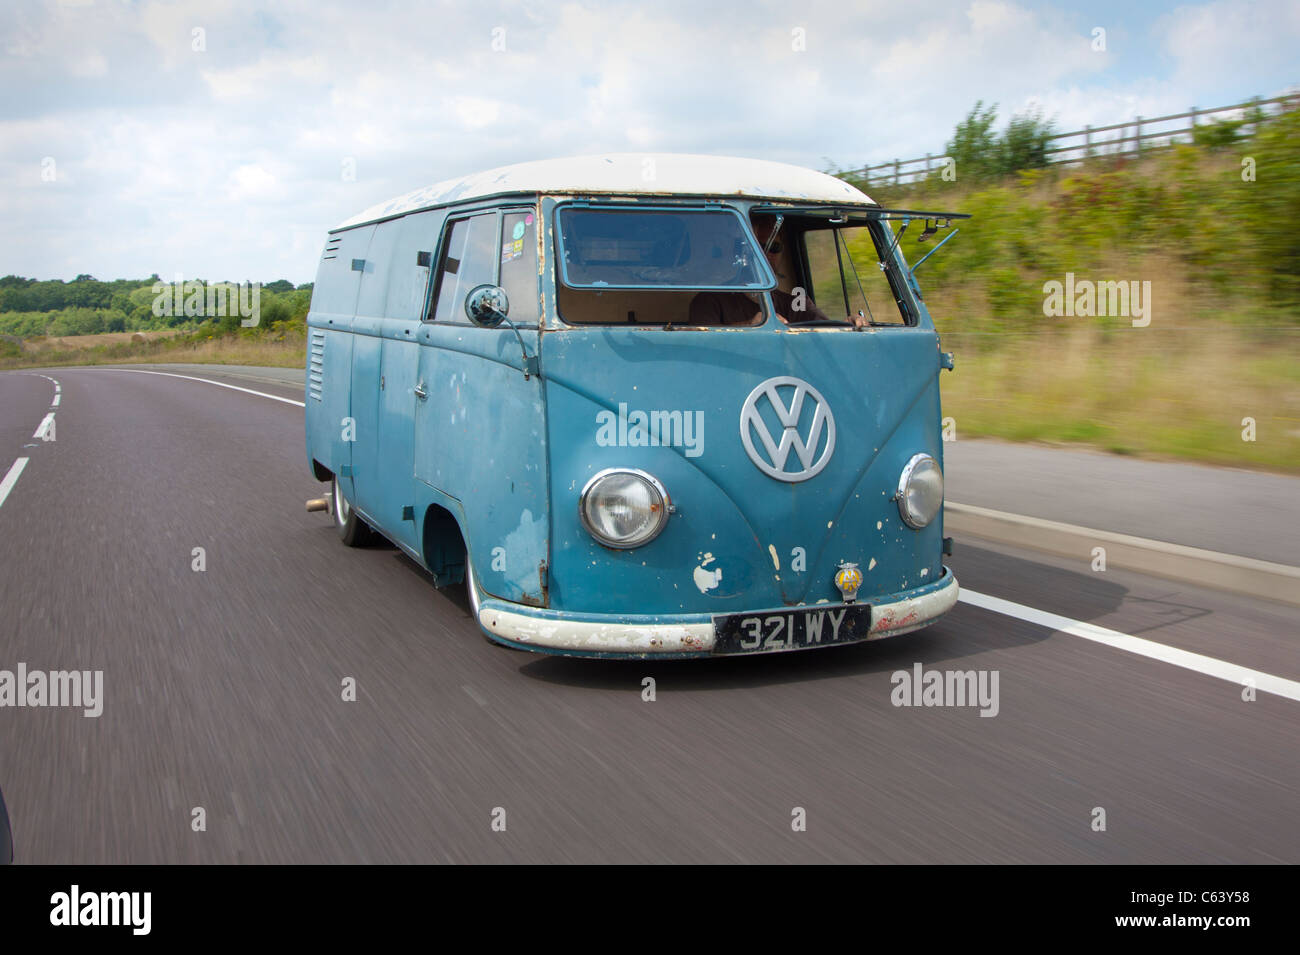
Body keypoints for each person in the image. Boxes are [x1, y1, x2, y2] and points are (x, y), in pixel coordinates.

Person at [688, 214, 863, 326]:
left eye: (774, 247)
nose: (766, 255)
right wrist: (751, 325)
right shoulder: (709, 301)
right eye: (758, 248)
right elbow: (703, 340)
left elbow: (824, 330)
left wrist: (849, 325)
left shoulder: (796, 302)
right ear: (740, 253)